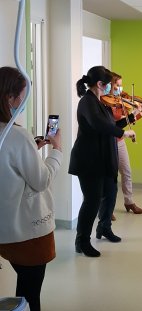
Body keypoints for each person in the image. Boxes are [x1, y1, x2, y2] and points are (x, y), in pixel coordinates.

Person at [0, 66, 62, 311]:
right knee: (29, 295)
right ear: (9, 98)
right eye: (22, 97)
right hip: (28, 234)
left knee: (23, 290)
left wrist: (30, 153)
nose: (24, 103)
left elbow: (8, 166)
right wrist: (56, 150)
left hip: (5, 231)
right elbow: (41, 180)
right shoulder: (16, 135)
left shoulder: (11, 137)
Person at [69, 66, 136, 257]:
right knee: (91, 201)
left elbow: (110, 125)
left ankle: (104, 228)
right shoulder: (87, 102)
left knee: (110, 192)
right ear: (100, 84)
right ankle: (82, 241)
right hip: (89, 160)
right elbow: (99, 125)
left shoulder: (99, 102)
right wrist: (123, 133)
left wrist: (131, 117)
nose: (112, 89)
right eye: (109, 85)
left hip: (104, 158)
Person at [107, 72, 142, 219]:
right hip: (108, 142)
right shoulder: (105, 103)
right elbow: (111, 124)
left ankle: (129, 202)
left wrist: (136, 112)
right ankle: (107, 208)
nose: (120, 90)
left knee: (126, 172)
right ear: (109, 85)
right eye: (117, 86)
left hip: (120, 141)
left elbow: (124, 122)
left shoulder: (119, 101)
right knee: (110, 176)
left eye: (121, 86)